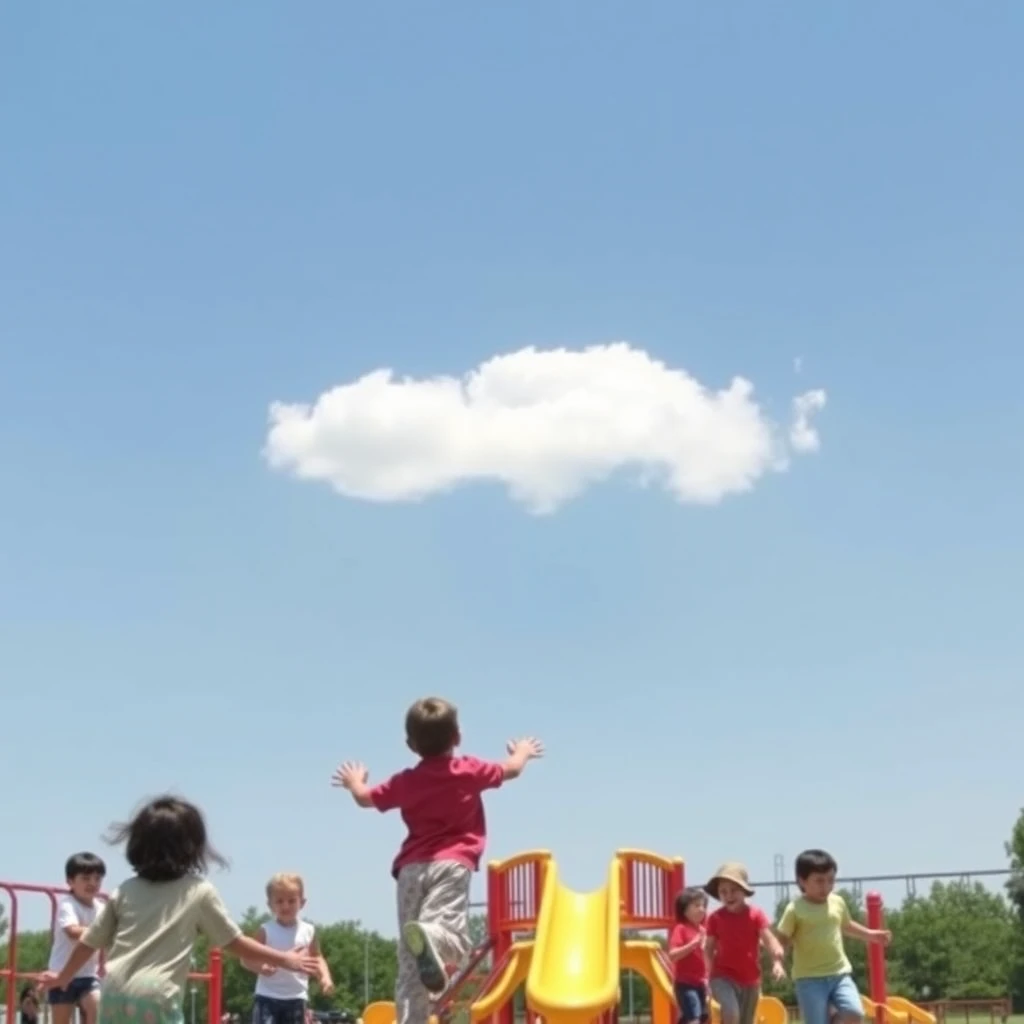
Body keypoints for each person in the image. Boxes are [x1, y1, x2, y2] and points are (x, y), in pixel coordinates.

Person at [332, 696, 543, 1024]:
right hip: (451, 863)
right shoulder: (468, 770)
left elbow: (364, 798)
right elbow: (512, 770)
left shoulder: (406, 781)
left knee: (408, 963)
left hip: (410, 871)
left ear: (410, 745)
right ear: (457, 736)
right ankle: (432, 936)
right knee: (454, 941)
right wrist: (523, 752)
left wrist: (353, 781)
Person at [38, 795, 321, 1024]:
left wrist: (62, 977)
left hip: (114, 994)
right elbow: (234, 942)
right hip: (156, 997)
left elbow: (89, 943)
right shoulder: (197, 891)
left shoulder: (125, 889)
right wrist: (285, 959)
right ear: (192, 847)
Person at [777, 849, 891, 1024]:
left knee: (854, 1012)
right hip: (809, 979)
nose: (826, 886)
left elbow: (846, 925)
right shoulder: (795, 909)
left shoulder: (837, 902)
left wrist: (871, 935)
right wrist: (778, 962)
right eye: (819, 881)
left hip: (839, 974)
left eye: (831, 880)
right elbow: (783, 938)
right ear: (802, 881)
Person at [242, 872, 334, 1024]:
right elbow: (246, 959)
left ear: (302, 903)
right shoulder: (266, 930)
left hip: (296, 997)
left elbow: (317, 957)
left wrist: (325, 977)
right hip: (268, 997)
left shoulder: (308, 930)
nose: (286, 906)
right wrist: (261, 967)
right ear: (270, 905)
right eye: (279, 901)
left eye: (291, 901)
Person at [703, 862, 785, 1024]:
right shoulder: (715, 918)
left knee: (746, 1021)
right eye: (723, 892)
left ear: (744, 892)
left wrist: (777, 962)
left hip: (750, 980)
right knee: (732, 1013)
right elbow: (708, 948)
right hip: (722, 977)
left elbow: (769, 939)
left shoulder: (755, 915)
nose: (728, 895)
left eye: (734, 890)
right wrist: (708, 976)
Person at [47, 851, 108, 1024]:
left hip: (88, 975)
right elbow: (73, 932)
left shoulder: (101, 908)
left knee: (96, 1004)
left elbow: (109, 935)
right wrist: (101, 931)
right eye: (86, 878)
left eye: (97, 879)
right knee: (61, 1020)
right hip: (61, 972)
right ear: (70, 881)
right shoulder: (68, 904)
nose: (93, 883)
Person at [667, 887, 709, 1024]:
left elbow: (706, 958)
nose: (702, 909)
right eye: (697, 905)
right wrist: (693, 944)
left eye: (703, 905)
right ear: (684, 910)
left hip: (700, 983)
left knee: (702, 1018)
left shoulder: (703, 930)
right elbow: (672, 955)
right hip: (685, 984)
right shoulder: (681, 929)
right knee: (694, 1017)